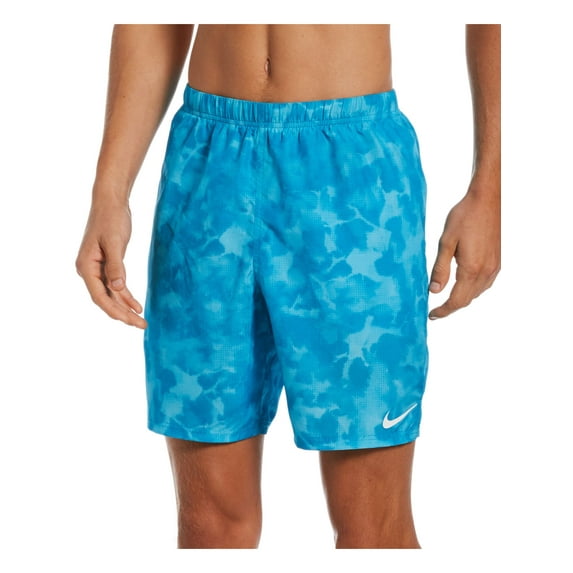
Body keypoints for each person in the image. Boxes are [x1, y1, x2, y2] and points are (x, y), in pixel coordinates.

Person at [75, 24, 500, 549]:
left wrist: (490, 188)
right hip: (208, 166)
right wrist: (110, 192)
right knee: (210, 529)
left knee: (374, 531)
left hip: (351, 174)